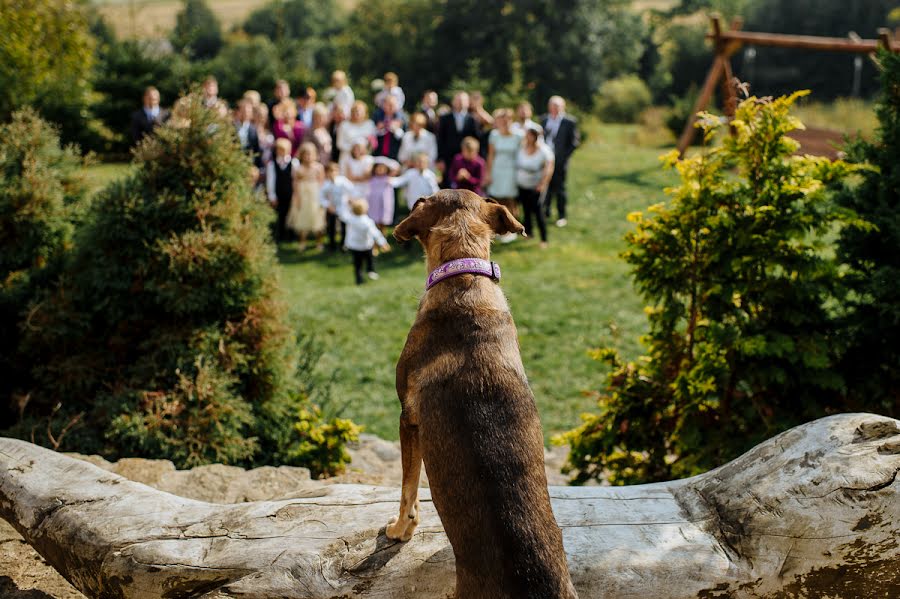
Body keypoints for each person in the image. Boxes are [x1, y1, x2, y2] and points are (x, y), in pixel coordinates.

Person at [541, 95, 579, 227]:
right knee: (546, 186)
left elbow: (574, 143)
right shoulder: (544, 120)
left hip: (560, 161)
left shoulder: (569, 122)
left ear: (563, 107)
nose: (554, 108)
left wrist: (563, 158)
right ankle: (545, 212)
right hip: (545, 160)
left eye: (557, 106)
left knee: (560, 188)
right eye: (552, 105)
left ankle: (562, 215)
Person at [485, 108, 522, 242]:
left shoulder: (519, 135)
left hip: (512, 170)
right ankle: (499, 228)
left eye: (507, 119)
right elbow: (490, 155)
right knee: (497, 199)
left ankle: (513, 228)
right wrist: (488, 173)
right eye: (501, 120)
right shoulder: (494, 135)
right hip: (497, 169)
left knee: (510, 199)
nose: (504, 122)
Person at [516, 127, 555, 248]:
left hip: (536, 185)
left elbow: (549, 167)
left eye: (529, 135)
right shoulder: (522, 147)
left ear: (535, 136)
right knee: (526, 209)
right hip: (522, 184)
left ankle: (544, 239)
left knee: (538, 211)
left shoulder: (544, 150)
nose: (527, 137)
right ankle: (529, 233)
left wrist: (543, 184)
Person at [339, 198, 389, 285]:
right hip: (366, 246)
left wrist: (346, 203)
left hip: (354, 247)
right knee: (370, 259)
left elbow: (342, 214)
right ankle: (371, 271)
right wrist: (383, 243)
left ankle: (359, 279)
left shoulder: (350, 219)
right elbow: (375, 233)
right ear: (366, 209)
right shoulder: (367, 222)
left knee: (357, 264)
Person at [286, 142, 326, 251]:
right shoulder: (298, 168)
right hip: (302, 195)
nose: (308, 157)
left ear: (315, 155)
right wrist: (296, 197)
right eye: (305, 154)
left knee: (317, 218)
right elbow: (295, 183)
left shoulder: (319, 167)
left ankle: (319, 242)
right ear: (302, 155)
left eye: (310, 154)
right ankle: (302, 241)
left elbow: (322, 183)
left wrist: (322, 197)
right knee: (302, 218)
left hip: (315, 194)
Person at [437, 91, 479, 187]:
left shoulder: (473, 119)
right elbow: (440, 139)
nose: (460, 103)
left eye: (463, 100)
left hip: (468, 159)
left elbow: (476, 139)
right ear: (453, 102)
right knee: (448, 187)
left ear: (468, 103)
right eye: (458, 100)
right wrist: (440, 159)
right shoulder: (445, 118)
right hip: (448, 159)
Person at [266, 138, 298, 242]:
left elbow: (295, 179)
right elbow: (270, 181)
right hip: (278, 193)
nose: (282, 152)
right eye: (279, 150)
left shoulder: (294, 163)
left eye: (284, 150)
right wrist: (272, 196)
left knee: (291, 214)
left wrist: (295, 194)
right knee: (280, 214)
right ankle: (280, 235)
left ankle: (291, 235)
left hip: (290, 193)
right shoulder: (272, 164)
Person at [320, 162, 354, 251]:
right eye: (330, 171)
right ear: (326, 173)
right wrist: (328, 205)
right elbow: (321, 197)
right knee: (331, 227)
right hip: (332, 208)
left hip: (343, 207)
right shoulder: (326, 184)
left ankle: (344, 244)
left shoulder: (343, 181)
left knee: (344, 226)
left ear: (338, 172)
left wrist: (350, 199)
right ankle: (332, 245)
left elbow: (352, 189)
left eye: (334, 171)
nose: (332, 173)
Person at [367, 156, 400, 232]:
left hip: (384, 203)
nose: (380, 169)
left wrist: (386, 161)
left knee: (383, 222)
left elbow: (396, 166)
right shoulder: (372, 178)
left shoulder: (389, 178)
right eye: (378, 167)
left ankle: (383, 238)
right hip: (374, 203)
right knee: (374, 222)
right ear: (374, 168)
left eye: (383, 168)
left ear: (386, 169)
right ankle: (374, 240)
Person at [373, 95, 406, 160]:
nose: (391, 107)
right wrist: (380, 127)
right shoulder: (377, 116)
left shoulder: (402, 119)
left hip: (395, 154)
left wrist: (396, 129)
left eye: (393, 105)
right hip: (378, 152)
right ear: (383, 105)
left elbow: (404, 137)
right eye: (389, 105)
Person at [234, 99, 263, 170]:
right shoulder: (231, 127)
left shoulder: (253, 129)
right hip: (234, 162)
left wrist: (257, 167)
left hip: (249, 164)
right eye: (243, 111)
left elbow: (256, 149)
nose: (246, 114)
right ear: (238, 112)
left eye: (248, 112)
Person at [469, 91, 494, 158]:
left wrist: (478, 108)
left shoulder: (481, 112)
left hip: (481, 142)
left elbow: (492, 123)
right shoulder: (468, 113)